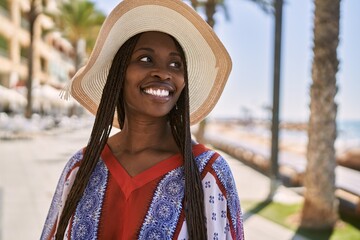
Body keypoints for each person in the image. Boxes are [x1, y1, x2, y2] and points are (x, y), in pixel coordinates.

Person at [41, 0, 244, 239]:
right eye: (146, 59)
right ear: (119, 73)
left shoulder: (207, 174)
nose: (164, 72)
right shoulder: (80, 167)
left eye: (175, 64)